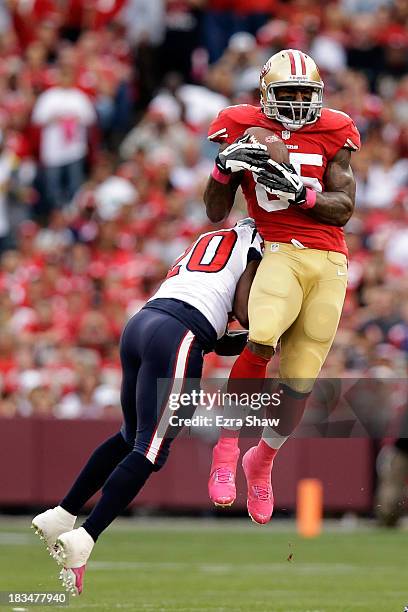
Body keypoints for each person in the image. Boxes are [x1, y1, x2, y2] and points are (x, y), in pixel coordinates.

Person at [31, 218, 263, 595]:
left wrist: (254, 339)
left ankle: (62, 513)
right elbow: (243, 310)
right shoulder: (260, 241)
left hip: (143, 322)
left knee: (129, 437)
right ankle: (85, 538)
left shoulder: (214, 237)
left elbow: (218, 333)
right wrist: (268, 328)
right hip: (179, 335)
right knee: (152, 450)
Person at [205, 49, 361, 524]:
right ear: (265, 94)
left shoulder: (335, 129)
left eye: (304, 93)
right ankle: (227, 449)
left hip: (330, 259)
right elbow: (215, 210)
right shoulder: (240, 123)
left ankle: (263, 461)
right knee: (262, 335)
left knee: (300, 379)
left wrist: (302, 193)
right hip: (278, 247)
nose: (296, 103)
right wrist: (222, 168)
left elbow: (344, 207)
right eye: (287, 93)